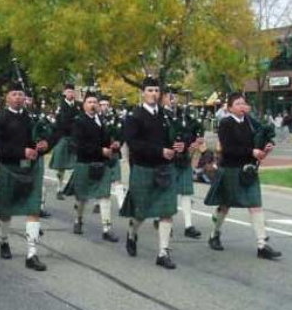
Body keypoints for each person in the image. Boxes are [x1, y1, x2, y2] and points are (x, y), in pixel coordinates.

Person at [0, 82, 53, 271]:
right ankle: (3, 241)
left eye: (21, 94)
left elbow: (44, 137)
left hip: (32, 169)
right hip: (10, 168)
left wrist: (46, 144)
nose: (18, 97)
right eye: (14, 94)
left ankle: (31, 253)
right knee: (6, 211)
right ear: (7, 98)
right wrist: (22, 151)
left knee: (33, 209)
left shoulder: (32, 118)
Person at [204, 93, 282, 260]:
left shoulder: (250, 123)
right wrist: (251, 151)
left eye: (243, 103)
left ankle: (262, 245)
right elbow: (228, 149)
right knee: (225, 205)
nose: (242, 106)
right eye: (238, 103)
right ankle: (214, 234)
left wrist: (264, 149)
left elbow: (257, 144)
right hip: (231, 169)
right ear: (230, 107)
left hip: (248, 170)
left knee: (255, 205)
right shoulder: (225, 123)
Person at [120, 76, 185, 270]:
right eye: (150, 90)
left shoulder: (166, 116)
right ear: (142, 93)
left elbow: (176, 135)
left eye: (156, 91)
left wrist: (180, 145)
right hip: (143, 168)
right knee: (141, 212)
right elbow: (133, 143)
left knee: (166, 211)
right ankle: (132, 234)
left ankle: (163, 252)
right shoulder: (134, 117)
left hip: (165, 169)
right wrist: (159, 151)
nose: (154, 94)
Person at [63, 91, 119, 242]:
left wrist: (112, 145)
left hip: (102, 163)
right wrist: (100, 150)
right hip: (85, 163)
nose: (93, 105)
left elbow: (106, 139)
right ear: (84, 105)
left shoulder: (101, 120)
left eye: (95, 102)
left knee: (105, 196)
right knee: (82, 197)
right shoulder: (78, 122)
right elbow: (77, 145)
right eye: (90, 102)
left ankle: (107, 229)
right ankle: (78, 220)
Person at [160, 92, 203, 239]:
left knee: (186, 193)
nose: (173, 100)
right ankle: (164, 222)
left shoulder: (184, 115)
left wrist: (196, 140)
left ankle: (188, 226)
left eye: (175, 97)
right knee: (167, 192)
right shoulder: (159, 115)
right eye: (169, 96)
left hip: (183, 158)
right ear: (163, 98)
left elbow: (197, 129)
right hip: (167, 159)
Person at [49, 84, 81, 200]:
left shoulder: (79, 106)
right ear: (64, 93)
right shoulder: (60, 106)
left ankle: (75, 188)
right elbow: (60, 123)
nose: (71, 94)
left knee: (80, 164)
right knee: (61, 166)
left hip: (76, 138)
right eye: (68, 92)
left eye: (72, 92)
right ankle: (59, 188)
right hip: (63, 137)